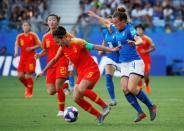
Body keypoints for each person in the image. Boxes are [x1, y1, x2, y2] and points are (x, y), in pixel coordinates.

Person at [36, 26, 121, 125]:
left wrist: (112, 50)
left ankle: (105, 106)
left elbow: (94, 46)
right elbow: (54, 60)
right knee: (76, 97)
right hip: (81, 74)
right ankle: (99, 116)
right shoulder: (62, 48)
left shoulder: (78, 42)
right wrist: (43, 71)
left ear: (63, 38)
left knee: (81, 89)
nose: (57, 44)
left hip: (91, 69)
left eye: (58, 42)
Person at [87, 9, 157, 123]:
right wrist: (94, 15)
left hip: (135, 61)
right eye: (114, 23)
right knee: (125, 89)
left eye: (117, 23)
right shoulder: (115, 27)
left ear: (124, 21)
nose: (115, 25)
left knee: (132, 88)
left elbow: (139, 40)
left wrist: (135, 43)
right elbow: (105, 22)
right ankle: (140, 112)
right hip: (124, 63)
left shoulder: (130, 28)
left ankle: (151, 106)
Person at [35, 14, 72, 117]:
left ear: (57, 22)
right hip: (51, 63)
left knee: (58, 86)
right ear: (47, 22)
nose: (51, 22)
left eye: (53, 20)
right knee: (51, 91)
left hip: (62, 61)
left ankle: (61, 111)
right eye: (49, 20)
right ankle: (66, 85)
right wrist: (39, 54)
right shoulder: (45, 37)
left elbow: (72, 42)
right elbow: (46, 50)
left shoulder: (63, 33)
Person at [14, 21, 41, 98]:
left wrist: (31, 48)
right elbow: (16, 44)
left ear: (29, 27)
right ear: (22, 27)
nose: (25, 27)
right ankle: (28, 86)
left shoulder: (33, 35)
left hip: (31, 58)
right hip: (22, 58)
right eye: (24, 25)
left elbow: (40, 44)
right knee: (20, 76)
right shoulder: (20, 36)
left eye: (27, 25)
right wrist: (15, 52)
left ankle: (29, 92)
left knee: (28, 75)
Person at [99, 15, 120, 106]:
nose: (108, 24)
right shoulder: (104, 32)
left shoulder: (117, 31)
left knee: (128, 83)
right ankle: (113, 99)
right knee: (108, 77)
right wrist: (101, 50)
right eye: (106, 22)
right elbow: (104, 42)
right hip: (110, 57)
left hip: (122, 58)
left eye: (110, 22)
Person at [135, 24, 155, 94]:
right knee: (138, 74)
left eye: (140, 29)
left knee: (146, 75)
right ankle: (139, 88)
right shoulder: (134, 38)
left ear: (143, 30)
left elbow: (153, 48)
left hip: (146, 60)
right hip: (137, 60)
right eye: (137, 29)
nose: (139, 31)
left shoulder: (147, 38)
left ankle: (146, 84)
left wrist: (146, 51)